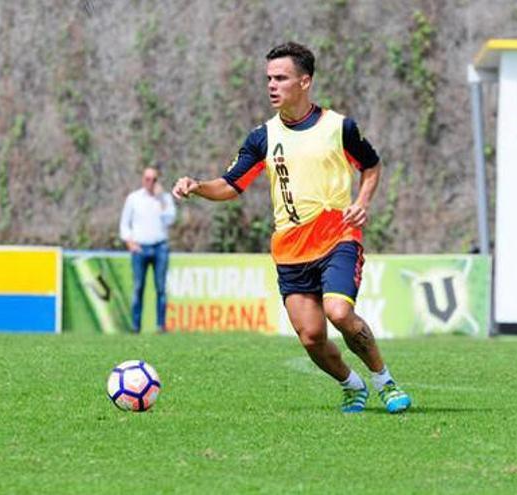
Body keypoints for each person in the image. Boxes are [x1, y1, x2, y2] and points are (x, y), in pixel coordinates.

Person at [172, 42, 411, 414]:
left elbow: (372, 165)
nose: (271, 85)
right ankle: (352, 385)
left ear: (304, 81)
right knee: (312, 336)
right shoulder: (262, 137)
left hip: (336, 235)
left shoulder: (338, 127)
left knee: (339, 312)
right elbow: (230, 185)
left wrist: (361, 203)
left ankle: (385, 382)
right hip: (290, 247)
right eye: (268, 78)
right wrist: (197, 187)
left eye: (280, 78)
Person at [120, 167, 176, 333]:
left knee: (161, 288)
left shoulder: (165, 199)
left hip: (160, 247)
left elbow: (170, 220)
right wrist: (129, 241)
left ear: (158, 181)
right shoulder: (134, 198)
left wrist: (161, 200)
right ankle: (136, 326)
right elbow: (124, 224)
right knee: (138, 287)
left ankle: (161, 325)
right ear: (142, 179)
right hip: (140, 247)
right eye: (147, 179)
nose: (150, 182)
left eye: (153, 179)